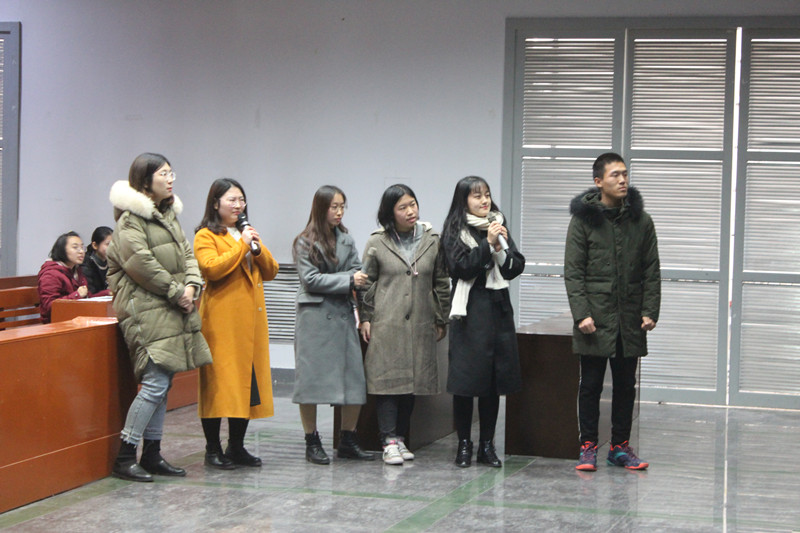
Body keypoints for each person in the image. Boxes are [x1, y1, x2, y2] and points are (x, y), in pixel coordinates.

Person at [107, 152, 213, 482]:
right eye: (163, 174)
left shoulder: (167, 217)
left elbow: (187, 254)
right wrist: (176, 291)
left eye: (171, 173)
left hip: (170, 308)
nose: (170, 179)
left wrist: (192, 286)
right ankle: (126, 456)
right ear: (144, 181)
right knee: (154, 383)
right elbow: (141, 264)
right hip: (146, 311)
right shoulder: (130, 222)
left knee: (163, 384)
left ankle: (152, 454)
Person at [564, 152, 660, 472]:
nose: (622, 180)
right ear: (598, 181)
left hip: (629, 318)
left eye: (625, 174)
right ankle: (588, 446)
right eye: (615, 175)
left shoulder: (641, 221)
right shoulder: (583, 221)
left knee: (625, 385)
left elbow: (651, 270)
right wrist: (581, 314)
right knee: (590, 385)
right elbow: (573, 272)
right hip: (595, 317)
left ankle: (619, 447)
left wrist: (649, 310)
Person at [358, 184, 451, 465]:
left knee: (412, 382)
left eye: (413, 204)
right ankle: (388, 440)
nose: (411, 211)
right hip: (387, 321)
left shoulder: (432, 240)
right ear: (390, 213)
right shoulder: (377, 242)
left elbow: (441, 281)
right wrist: (365, 317)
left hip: (421, 320)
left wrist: (440, 317)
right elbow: (366, 283)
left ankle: (399, 438)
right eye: (403, 207)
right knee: (388, 382)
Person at [440, 176, 525, 468]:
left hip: (498, 309)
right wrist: (487, 245)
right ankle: (464, 443)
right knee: (466, 382)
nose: (484, 201)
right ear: (464, 200)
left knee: (493, 381)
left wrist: (499, 247)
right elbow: (461, 268)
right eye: (477, 196)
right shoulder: (454, 230)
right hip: (469, 311)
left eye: (487, 194)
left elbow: (514, 267)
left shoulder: (497, 224)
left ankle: (487, 445)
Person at [194, 178, 280, 469]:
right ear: (215, 203)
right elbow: (211, 269)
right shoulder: (206, 235)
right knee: (219, 385)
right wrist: (242, 246)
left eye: (241, 199)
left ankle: (236, 446)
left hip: (250, 323)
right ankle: (212, 449)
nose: (238, 205)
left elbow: (271, 271)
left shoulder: (246, 233)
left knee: (247, 384)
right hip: (222, 323)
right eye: (231, 199)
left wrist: (255, 247)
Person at [292, 185, 374, 464]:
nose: (339, 212)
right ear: (320, 208)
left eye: (342, 207)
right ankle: (312, 440)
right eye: (334, 207)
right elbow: (310, 280)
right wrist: (348, 280)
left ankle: (348, 438)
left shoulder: (346, 239)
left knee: (354, 380)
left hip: (342, 316)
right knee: (310, 383)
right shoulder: (304, 241)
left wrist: (353, 279)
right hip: (314, 320)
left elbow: (357, 269)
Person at [37, 231, 111, 323]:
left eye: (82, 247)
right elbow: (49, 306)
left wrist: (107, 293)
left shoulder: (76, 270)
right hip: (56, 323)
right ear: (62, 250)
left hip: (75, 319)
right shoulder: (51, 274)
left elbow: (87, 298)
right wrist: (77, 295)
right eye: (75, 247)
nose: (81, 252)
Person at [81, 226, 113, 294]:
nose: (112, 248)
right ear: (95, 245)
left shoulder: (112, 262)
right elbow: (90, 292)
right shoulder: (86, 264)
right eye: (108, 244)